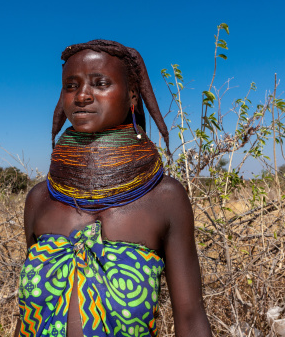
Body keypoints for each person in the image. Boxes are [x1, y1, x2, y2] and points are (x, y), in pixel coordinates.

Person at [14, 40, 212, 337]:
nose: (82, 95)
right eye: (71, 85)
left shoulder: (163, 198)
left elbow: (190, 319)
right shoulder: (41, 199)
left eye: (100, 83)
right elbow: (28, 317)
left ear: (132, 95)